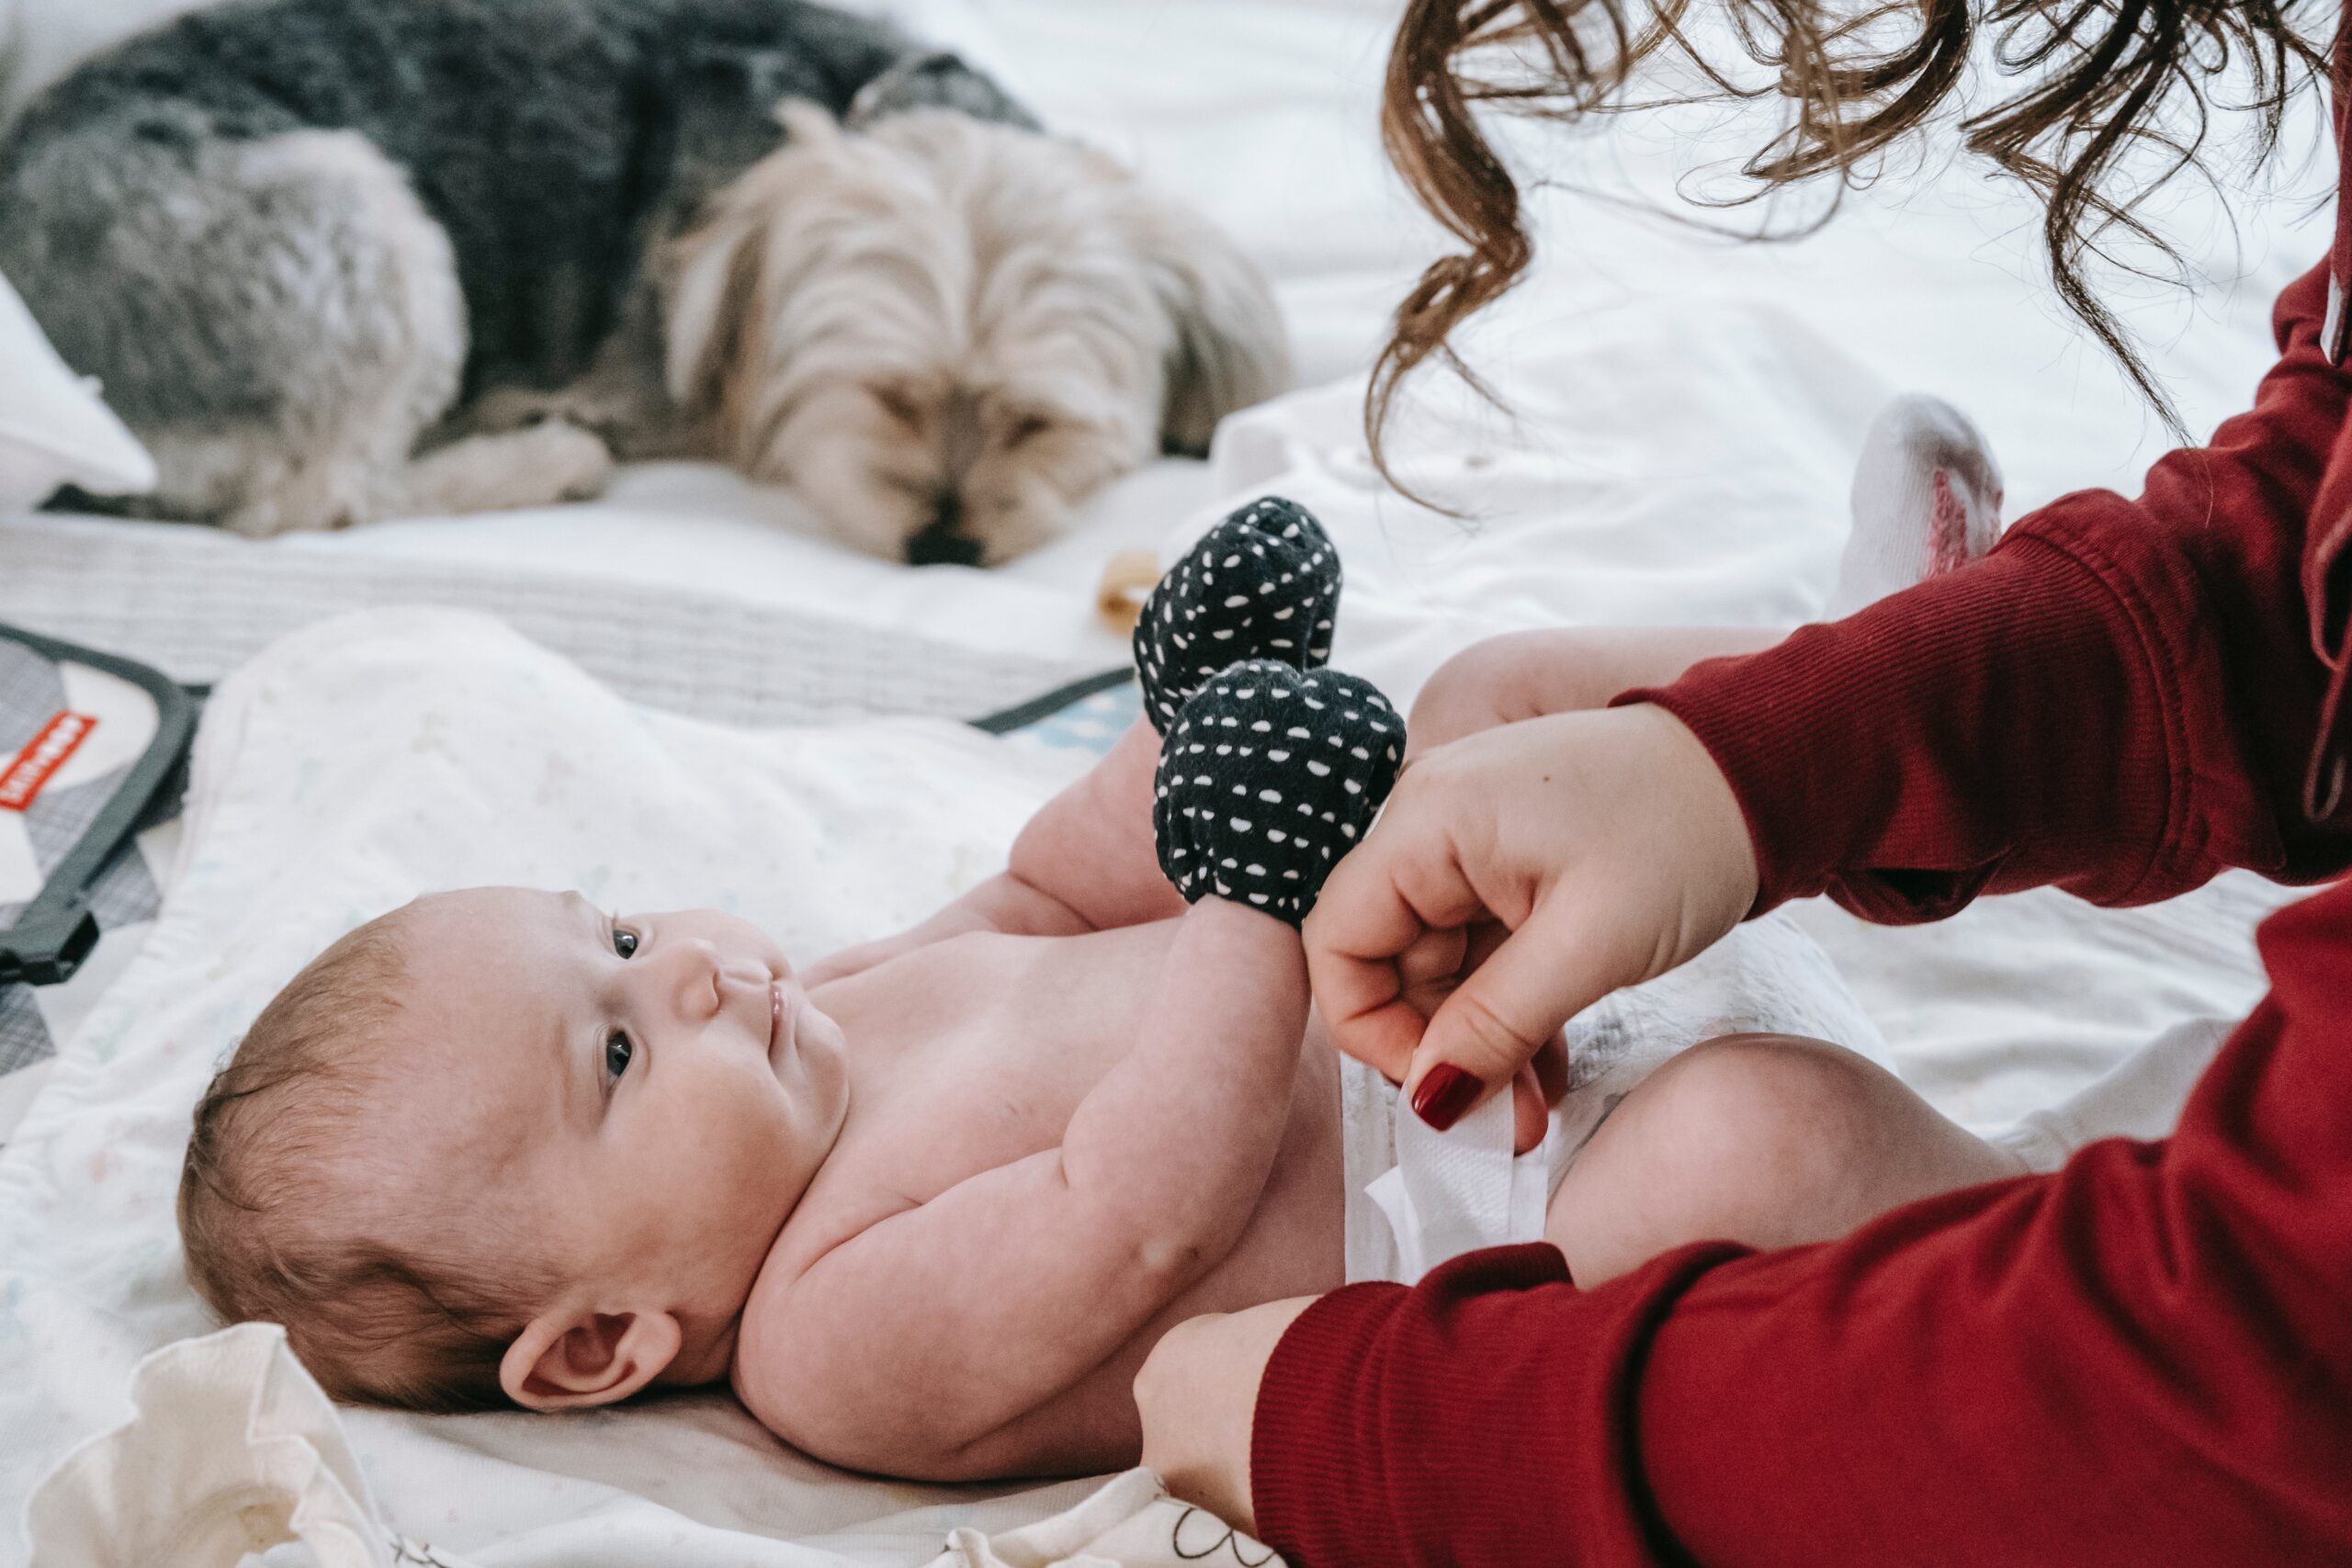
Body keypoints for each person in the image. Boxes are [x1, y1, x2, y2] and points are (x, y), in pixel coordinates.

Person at [1130, 2, 2352, 1563]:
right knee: (1507, 717)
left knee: (1751, 1142)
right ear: (691, 1333)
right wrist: (1752, 760)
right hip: (1525, 1050)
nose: (709, 971)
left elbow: (2248, 1371)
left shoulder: (838, 1301)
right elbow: (2308, 550)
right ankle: (1830, 637)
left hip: (1535, 1180)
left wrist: (1381, 1436)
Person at [175, 491, 1992, 1483]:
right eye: (623, 1048)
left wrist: (1188, 721)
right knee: (1757, 1132)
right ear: (598, 1342)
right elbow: (1135, 1206)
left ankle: (1903, 693)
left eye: (626, 930)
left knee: (1490, 697)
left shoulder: (845, 1005)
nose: (703, 974)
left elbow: (1050, 884)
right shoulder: (830, 1340)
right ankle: (2103, 1267)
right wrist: (1252, 885)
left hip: (1436, 970)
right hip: (1499, 1188)